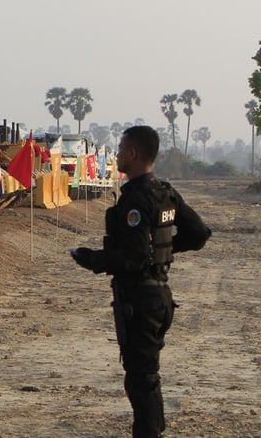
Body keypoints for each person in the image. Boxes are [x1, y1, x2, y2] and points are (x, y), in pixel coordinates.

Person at [71, 126, 211, 437]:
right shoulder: (166, 193)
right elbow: (199, 234)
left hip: (140, 300)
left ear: (133, 154)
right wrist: (162, 250)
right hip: (159, 296)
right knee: (147, 376)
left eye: (121, 149)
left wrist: (93, 259)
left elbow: (133, 258)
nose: (118, 154)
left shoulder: (136, 199)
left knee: (140, 379)